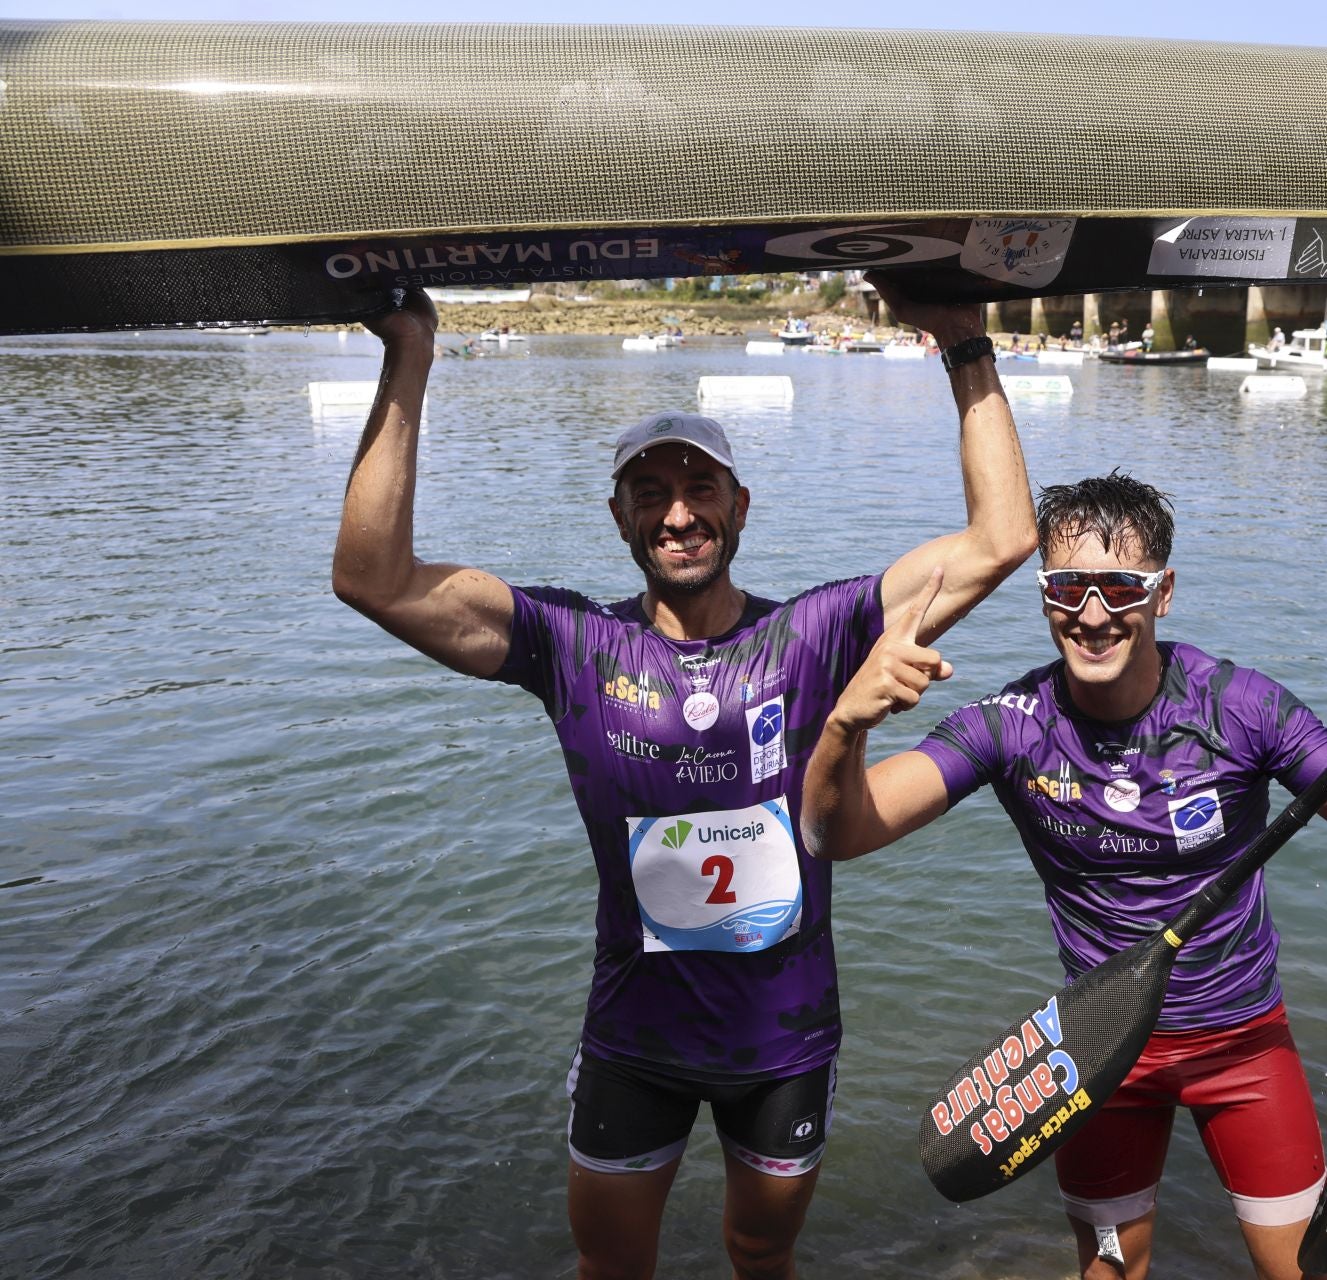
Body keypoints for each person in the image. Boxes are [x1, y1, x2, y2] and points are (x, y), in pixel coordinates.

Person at [332, 279, 1037, 1280]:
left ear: (738, 506)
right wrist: (410, 349)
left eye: (700, 487)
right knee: (612, 1266)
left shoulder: (817, 632)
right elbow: (371, 577)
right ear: (618, 516)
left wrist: (963, 338)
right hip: (635, 1038)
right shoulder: (572, 643)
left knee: (761, 1252)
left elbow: (1002, 537)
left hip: (784, 1043)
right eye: (650, 492)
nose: (677, 513)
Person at [801, 473, 1327, 1280]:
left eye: (1119, 587)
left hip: (1242, 1044)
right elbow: (838, 833)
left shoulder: (1240, 708)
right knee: (1109, 1273)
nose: (1091, 614)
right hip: (1097, 1052)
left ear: (1163, 592)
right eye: (1067, 587)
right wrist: (845, 723)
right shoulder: (1010, 726)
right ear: (1043, 596)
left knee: (1300, 1272)